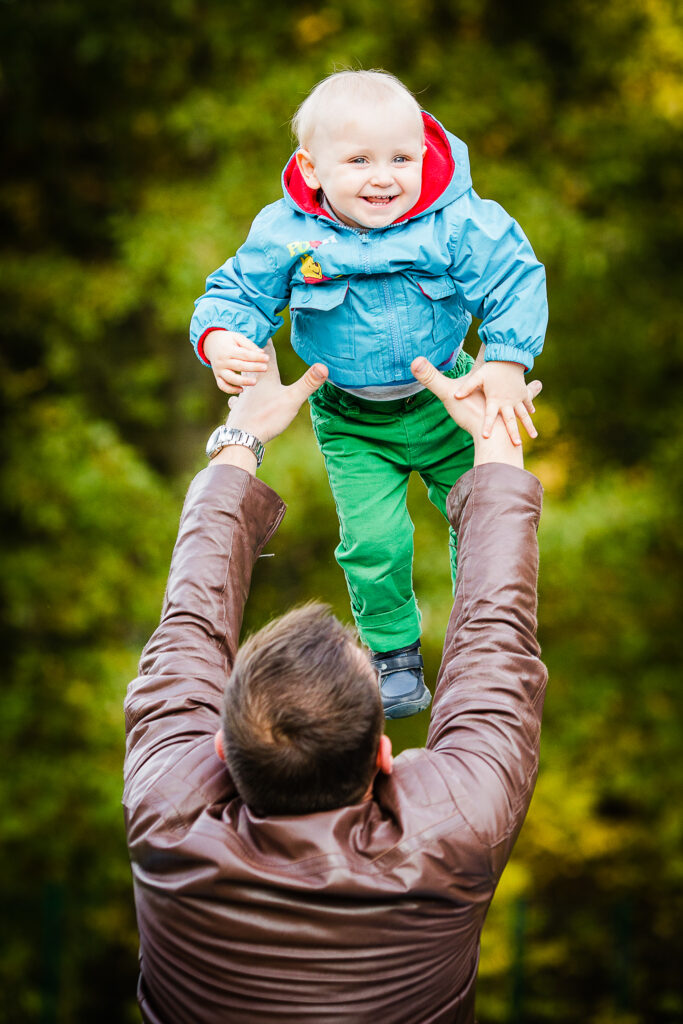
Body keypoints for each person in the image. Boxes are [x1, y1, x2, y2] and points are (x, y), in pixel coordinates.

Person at [123, 344, 547, 1024]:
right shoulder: (453, 831)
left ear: (222, 755)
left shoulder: (168, 814)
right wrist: (493, 435)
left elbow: (186, 632)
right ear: (384, 757)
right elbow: (494, 641)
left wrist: (241, 435)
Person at [189, 69, 548, 718]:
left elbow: (512, 276)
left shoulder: (453, 221)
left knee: (483, 517)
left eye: (400, 159)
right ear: (313, 167)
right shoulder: (287, 232)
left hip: (446, 398)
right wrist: (222, 339)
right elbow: (235, 293)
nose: (384, 177)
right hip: (352, 421)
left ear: (425, 155)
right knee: (374, 542)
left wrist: (505, 359)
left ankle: (483, 640)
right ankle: (393, 657)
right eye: (358, 160)